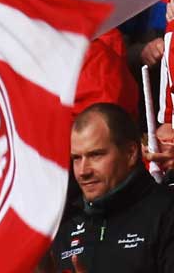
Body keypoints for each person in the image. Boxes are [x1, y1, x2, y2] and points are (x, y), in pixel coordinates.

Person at [52, 103, 174, 273]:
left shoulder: (167, 214)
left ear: (131, 153)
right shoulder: (66, 227)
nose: (83, 171)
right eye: (76, 158)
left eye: (96, 155)